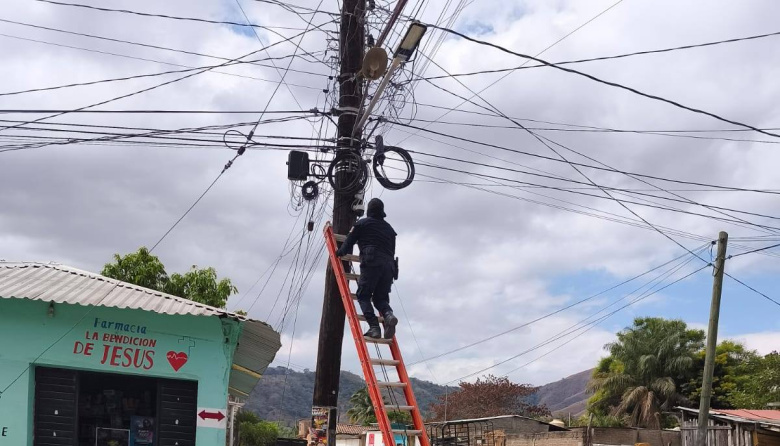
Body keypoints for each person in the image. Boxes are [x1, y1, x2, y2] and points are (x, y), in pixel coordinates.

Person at [336, 198, 399, 339]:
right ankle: (388, 315)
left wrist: (339, 252)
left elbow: (349, 243)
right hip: (389, 267)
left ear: (369, 210)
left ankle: (374, 327)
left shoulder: (362, 224)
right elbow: (392, 251)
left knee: (363, 295)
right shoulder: (390, 230)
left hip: (372, 264)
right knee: (380, 298)